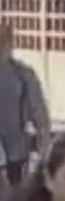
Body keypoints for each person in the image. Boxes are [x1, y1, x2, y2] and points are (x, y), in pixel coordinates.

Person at [0, 22, 50, 188]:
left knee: (13, 199)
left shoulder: (23, 74)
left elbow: (40, 116)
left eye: (4, 40)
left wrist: (43, 152)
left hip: (15, 151)